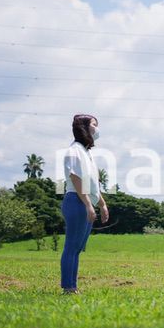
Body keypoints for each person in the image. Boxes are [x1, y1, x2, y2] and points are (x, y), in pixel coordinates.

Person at [60, 114, 109, 294]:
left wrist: (102, 204)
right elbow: (75, 178)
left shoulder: (87, 152)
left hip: (84, 201)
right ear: (84, 128)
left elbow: (93, 184)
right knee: (71, 247)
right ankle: (68, 287)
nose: (97, 129)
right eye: (94, 125)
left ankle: (72, 286)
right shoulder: (75, 150)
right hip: (76, 201)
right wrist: (88, 204)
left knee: (77, 248)